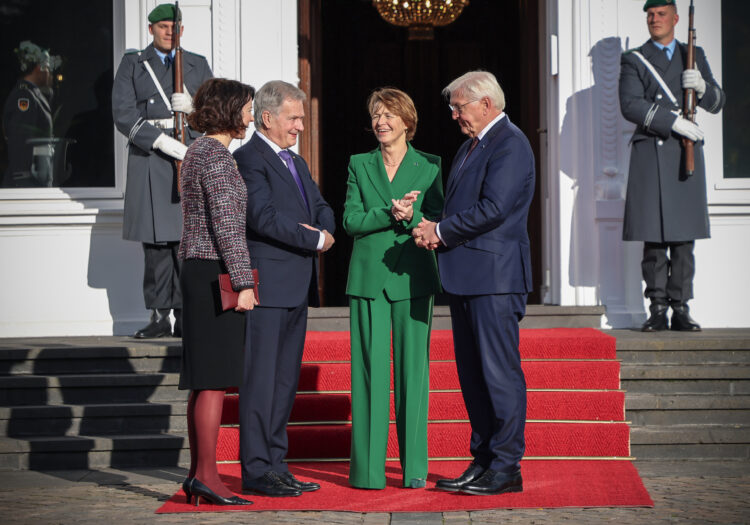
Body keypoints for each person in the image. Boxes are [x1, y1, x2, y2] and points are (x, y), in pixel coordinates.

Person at [412, 71, 535, 495]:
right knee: (474, 376)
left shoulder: (511, 143)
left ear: (485, 104)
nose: (453, 115)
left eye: (459, 107)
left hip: (496, 279)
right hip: (468, 278)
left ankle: (506, 467)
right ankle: (483, 461)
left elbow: (495, 208)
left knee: (499, 374)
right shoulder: (472, 145)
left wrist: (440, 231)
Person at [234, 80, 335, 497]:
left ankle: (277, 464)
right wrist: (314, 240)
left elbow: (321, 205)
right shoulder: (248, 158)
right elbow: (262, 216)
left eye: (302, 118)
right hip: (266, 287)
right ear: (267, 117)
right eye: (293, 118)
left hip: (295, 287)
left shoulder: (294, 161)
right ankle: (257, 469)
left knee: (284, 383)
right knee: (260, 381)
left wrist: (326, 230)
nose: (300, 126)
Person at [343, 87, 443, 490]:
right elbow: (350, 220)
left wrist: (413, 214)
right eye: (376, 115)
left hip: (413, 276)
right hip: (368, 279)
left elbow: (438, 218)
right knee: (368, 374)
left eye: (389, 115)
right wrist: (389, 212)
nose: (381, 122)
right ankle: (368, 472)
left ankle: (414, 468)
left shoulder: (431, 165)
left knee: (413, 375)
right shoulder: (358, 164)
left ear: (407, 121)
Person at [619, 0, 725, 332]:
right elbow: (631, 104)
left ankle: (681, 307)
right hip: (652, 152)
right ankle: (658, 308)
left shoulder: (693, 54)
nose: (654, 19)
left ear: (676, 18)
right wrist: (672, 123)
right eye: (650, 15)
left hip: (683, 152)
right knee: (653, 240)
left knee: (683, 241)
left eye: (661, 14)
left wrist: (703, 87)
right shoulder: (634, 59)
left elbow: (717, 102)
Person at [177, 78, 256, 507]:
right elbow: (227, 225)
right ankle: (207, 475)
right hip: (215, 272)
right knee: (213, 381)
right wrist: (244, 282)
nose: (250, 114)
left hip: (197, 268)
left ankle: (198, 475)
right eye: (246, 106)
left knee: (204, 379)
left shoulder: (196, 152)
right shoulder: (218, 157)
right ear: (229, 109)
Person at [112, 3, 213, 338]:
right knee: (155, 246)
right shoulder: (133, 63)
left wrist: (196, 109)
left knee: (186, 242)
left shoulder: (197, 64)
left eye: (175, 27)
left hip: (188, 156)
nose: (170, 32)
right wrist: (159, 142)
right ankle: (158, 315)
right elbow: (123, 113)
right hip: (151, 158)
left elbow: (216, 113)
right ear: (151, 29)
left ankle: (186, 314)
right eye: (163, 26)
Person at [2, 41, 61, 188]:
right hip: (27, 183)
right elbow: (20, 141)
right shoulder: (25, 97)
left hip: (35, 180)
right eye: (47, 68)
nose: (49, 73)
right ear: (38, 68)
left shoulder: (34, 95)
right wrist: (27, 179)